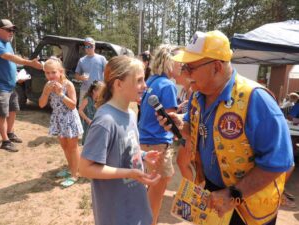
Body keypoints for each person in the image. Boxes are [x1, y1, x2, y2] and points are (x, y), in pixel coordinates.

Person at [158, 30, 294, 225]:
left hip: (247, 202)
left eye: (191, 67)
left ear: (216, 67)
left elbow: (280, 161)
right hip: (213, 193)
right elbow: (196, 128)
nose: (184, 73)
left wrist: (234, 194)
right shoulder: (197, 97)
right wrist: (182, 125)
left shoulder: (256, 99)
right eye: (184, 67)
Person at [79, 55, 161, 225]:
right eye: (139, 80)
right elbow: (85, 168)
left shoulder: (130, 114)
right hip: (116, 212)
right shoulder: (105, 121)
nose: (144, 86)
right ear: (118, 84)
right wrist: (130, 173)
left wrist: (143, 155)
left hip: (135, 203)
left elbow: (123, 148)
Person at [138, 44, 180, 225]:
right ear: (170, 63)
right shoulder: (168, 85)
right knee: (157, 189)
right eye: (180, 63)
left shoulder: (152, 81)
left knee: (155, 183)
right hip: (158, 143)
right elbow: (170, 121)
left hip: (145, 140)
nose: (183, 66)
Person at [0, 19, 42, 152]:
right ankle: (5, 141)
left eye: (12, 30)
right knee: (2, 115)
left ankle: (10, 133)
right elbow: (10, 58)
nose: (11, 32)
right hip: (1, 87)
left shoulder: (8, 44)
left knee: (13, 111)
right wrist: (29, 63)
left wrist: (17, 76)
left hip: (11, 85)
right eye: (8, 30)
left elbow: (11, 63)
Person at [39, 57, 83, 187]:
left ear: (60, 71)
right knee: (64, 146)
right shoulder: (47, 85)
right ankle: (71, 168)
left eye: (53, 72)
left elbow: (73, 105)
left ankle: (76, 174)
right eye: (47, 73)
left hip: (69, 118)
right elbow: (41, 104)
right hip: (58, 119)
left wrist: (61, 94)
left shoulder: (68, 84)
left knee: (73, 147)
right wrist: (46, 92)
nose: (50, 75)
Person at [75, 37, 107, 104]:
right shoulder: (81, 60)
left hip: (98, 90)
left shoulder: (101, 58)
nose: (88, 48)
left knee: (97, 110)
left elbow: (108, 72)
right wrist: (80, 77)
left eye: (90, 46)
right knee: (82, 110)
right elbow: (76, 75)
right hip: (85, 90)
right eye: (86, 46)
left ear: (94, 47)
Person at [78, 80, 103, 145]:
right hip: (88, 124)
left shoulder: (100, 100)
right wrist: (87, 119)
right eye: (101, 91)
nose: (102, 92)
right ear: (94, 91)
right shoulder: (87, 99)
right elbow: (80, 111)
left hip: (97, 123)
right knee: (87, 142)